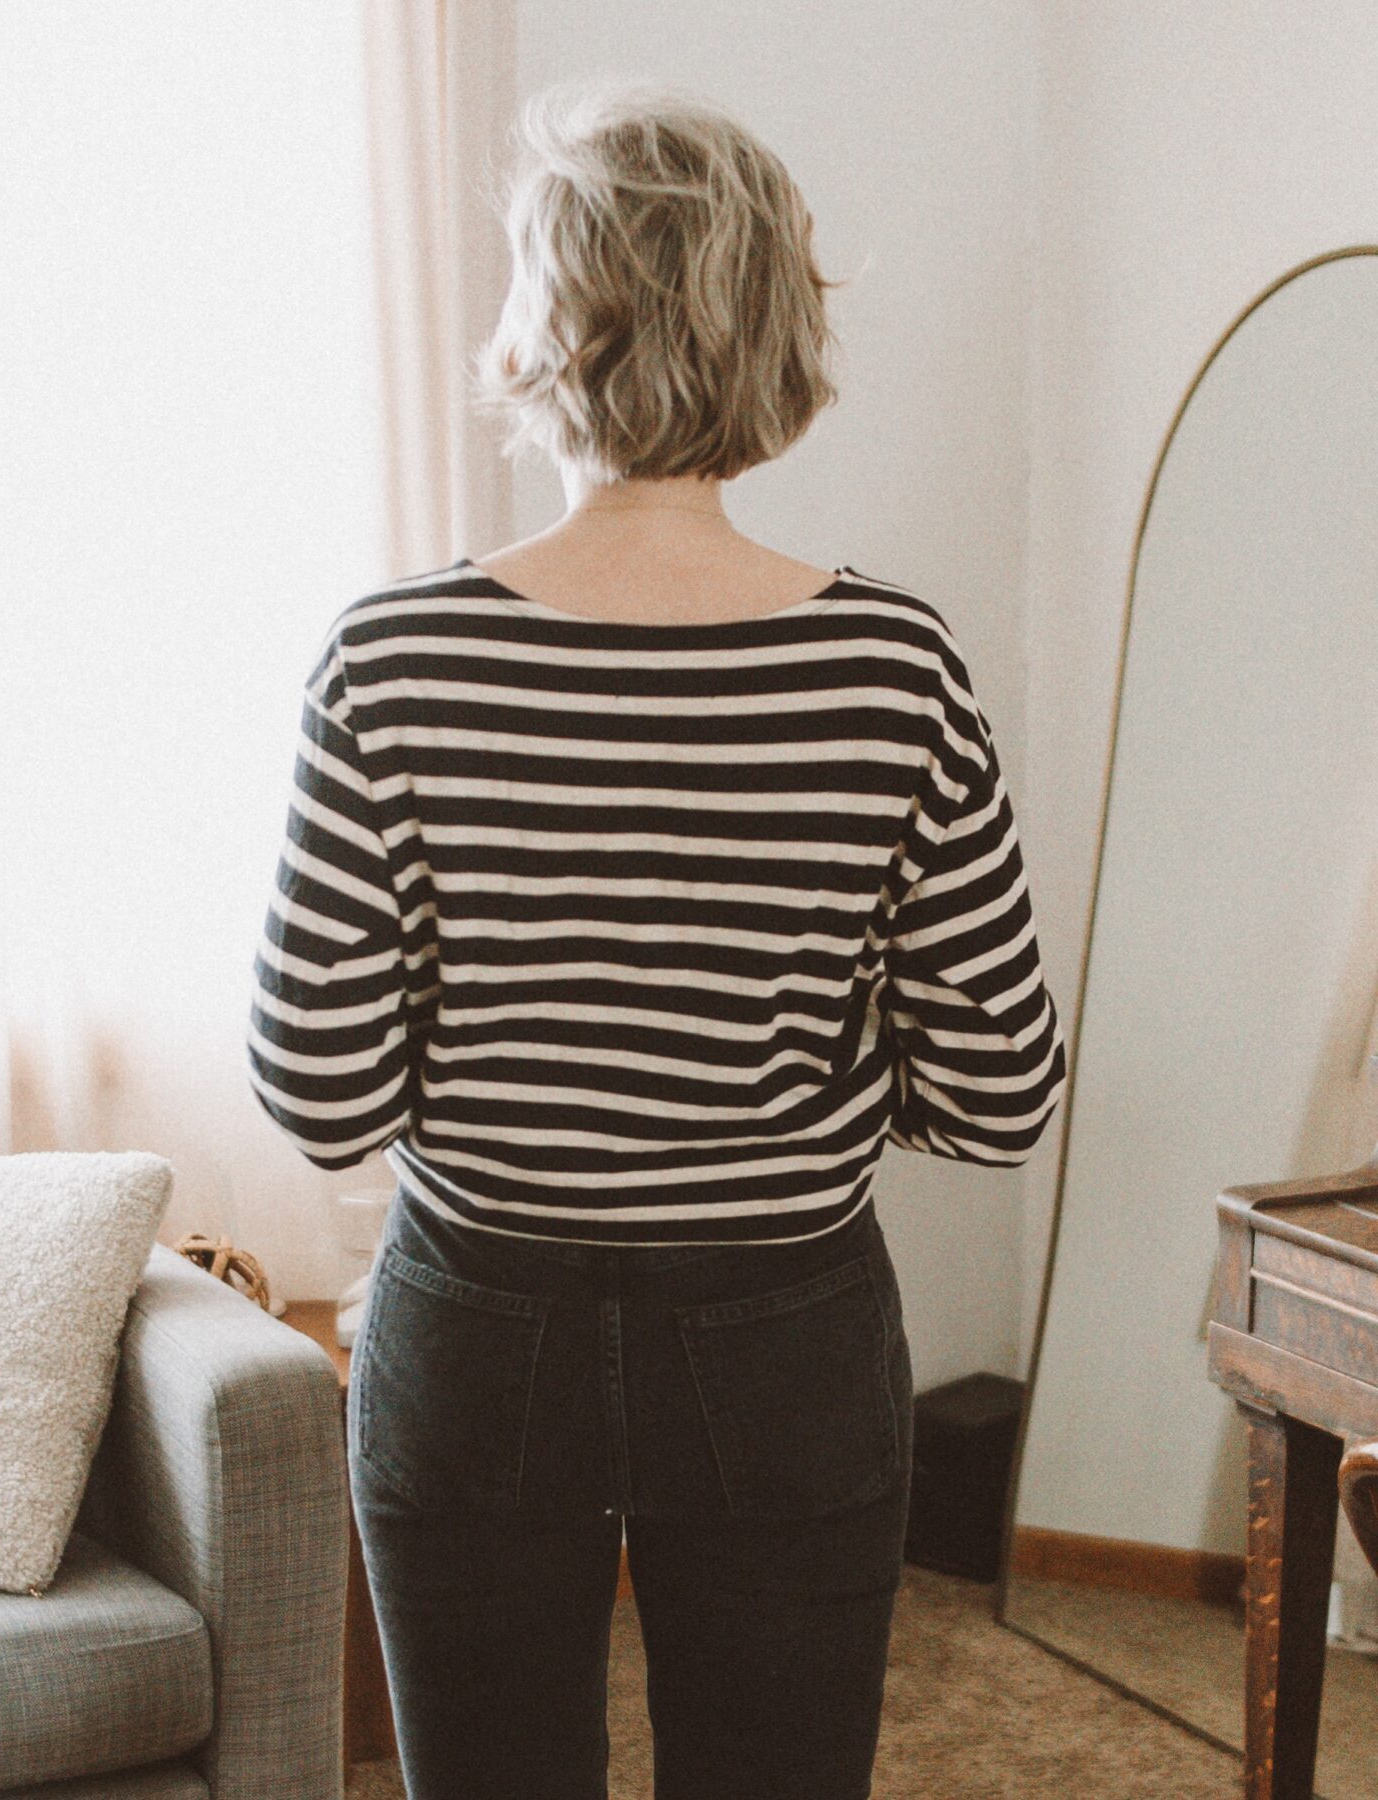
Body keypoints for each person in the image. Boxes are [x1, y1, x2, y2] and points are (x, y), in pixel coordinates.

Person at [248, 77, 1066, 1800]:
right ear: (776, 329)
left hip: (476, 1323)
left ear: (543, 328)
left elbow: (322, 1092)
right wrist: (809, 1099)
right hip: (787, 1329)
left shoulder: (394, 661)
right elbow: (998, 1092)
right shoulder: (889, 670)